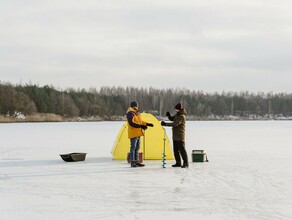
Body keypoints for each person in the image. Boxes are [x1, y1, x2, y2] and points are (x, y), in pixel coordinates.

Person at [126, 101, 154, 168]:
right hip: (133, 133)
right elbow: (131, 123)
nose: (136, 107)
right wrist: (141, 126)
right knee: (133, 147)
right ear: (134, 106)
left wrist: (147, 124)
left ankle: (136, 161)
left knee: (137, 148)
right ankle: (132, 162)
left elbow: (141, 122)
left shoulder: (137, 113)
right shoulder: (130, 113)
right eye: (136, 106)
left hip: (138, 133)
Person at [161, 102, 189, 168]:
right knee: (175, 150)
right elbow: (172, 119)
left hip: (180, 136)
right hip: (175, 136)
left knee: (182, 150)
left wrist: (165, 124)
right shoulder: (177, 114)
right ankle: (178, 162)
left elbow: (175, 124)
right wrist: (169, 116)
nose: (175, 110)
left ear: (179, 109)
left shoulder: (182, 116)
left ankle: (186, 163)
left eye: (176, 109)